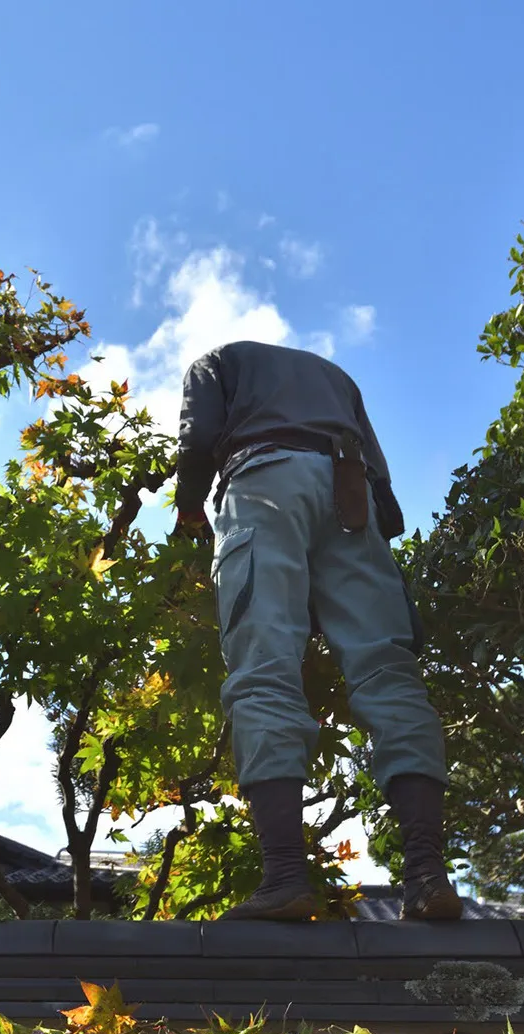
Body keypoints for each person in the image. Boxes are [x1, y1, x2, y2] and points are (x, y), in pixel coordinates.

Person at [173, 340, 462, 922]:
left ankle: (284, 876)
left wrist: (187, 507)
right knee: (388, 670)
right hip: (350, 492)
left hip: (262, 481)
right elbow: (387, 496)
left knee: (264, 667)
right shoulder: (339, 378)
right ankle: (426, 874)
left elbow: (199, 438)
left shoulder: (215, 361)